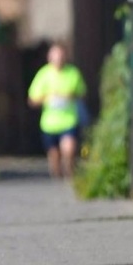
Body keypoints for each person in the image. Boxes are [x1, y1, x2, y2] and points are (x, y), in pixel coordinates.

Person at [28, 42, 88, 179]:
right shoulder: (43, 75)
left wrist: (70, 96)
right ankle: (57, 175)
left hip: (69, 120)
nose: (58, 59)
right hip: (49, 123)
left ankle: (70, 172)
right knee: (54, 155)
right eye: (55, 56)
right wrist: (47, 98)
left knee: (69, 149)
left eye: (61, 56)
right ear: (50, 57)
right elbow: (32, 100)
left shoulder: (73, 73)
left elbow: (82, 93)